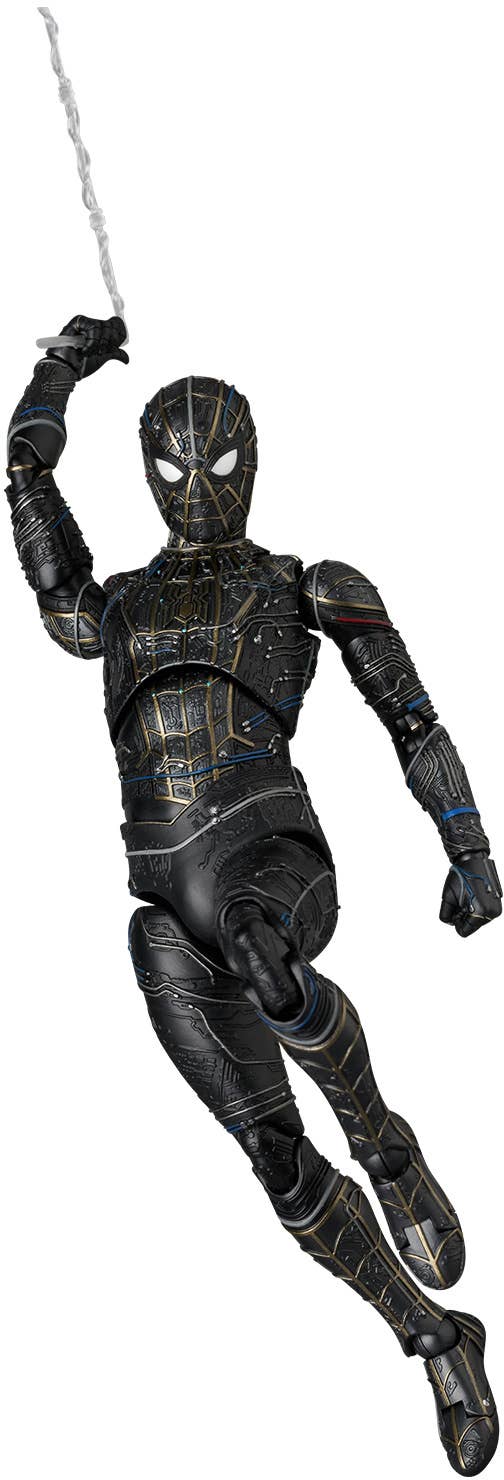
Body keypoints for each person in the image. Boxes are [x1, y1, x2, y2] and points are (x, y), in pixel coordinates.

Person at [6, 313, 501, 1474]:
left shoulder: (304, 584)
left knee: (261, 947)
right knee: (276, 1159)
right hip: (163, 912)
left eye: (220, 457)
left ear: (255, 460)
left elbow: (412, 717)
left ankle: (383, 1145)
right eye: (178, 463)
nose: (199, 482)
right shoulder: (113, 609)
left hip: (275, 860)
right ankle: (436, 1338)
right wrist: (65, 363)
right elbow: (24, 474)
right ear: (149, 475)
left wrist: (469, 849)